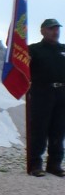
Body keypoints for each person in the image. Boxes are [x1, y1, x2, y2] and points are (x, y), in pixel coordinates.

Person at [27, 17, 65, 177]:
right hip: (41, 93)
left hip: (61, 93)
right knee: (39, 129)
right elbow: (21, 65)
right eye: (51, 29)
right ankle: (35, 165)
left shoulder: (63, 49)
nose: (55, 32)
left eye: (57, 29)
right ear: (42, 31)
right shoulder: (33, 50)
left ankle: (54, 165)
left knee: (58, 130)